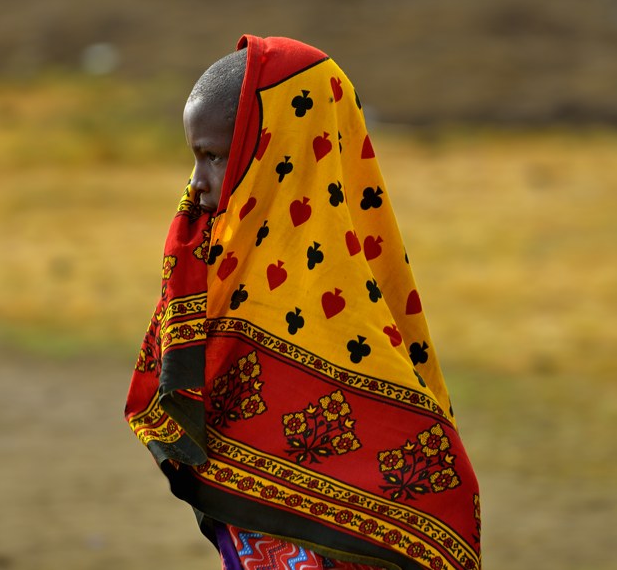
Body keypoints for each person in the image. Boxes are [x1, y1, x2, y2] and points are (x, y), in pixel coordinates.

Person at [126, 35, 481, 570]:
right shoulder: (218, 279)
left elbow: (436, 496)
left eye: (215, 157)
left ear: (275, 155)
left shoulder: (353, 306)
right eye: (194, 157)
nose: (196, 183)